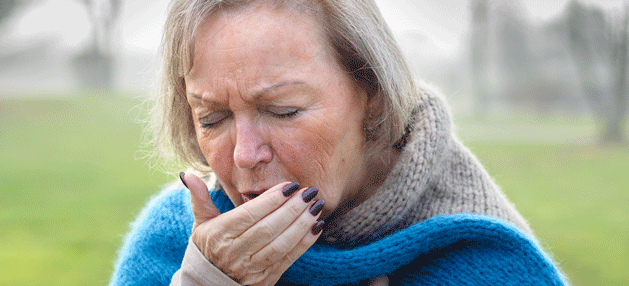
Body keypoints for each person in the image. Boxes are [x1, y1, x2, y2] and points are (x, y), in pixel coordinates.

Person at [111, 0, 566, 285]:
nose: (245, 155)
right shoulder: (174, 243)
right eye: (213, 119)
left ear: (371, 93)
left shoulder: (478, 257)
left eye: (283, 111)